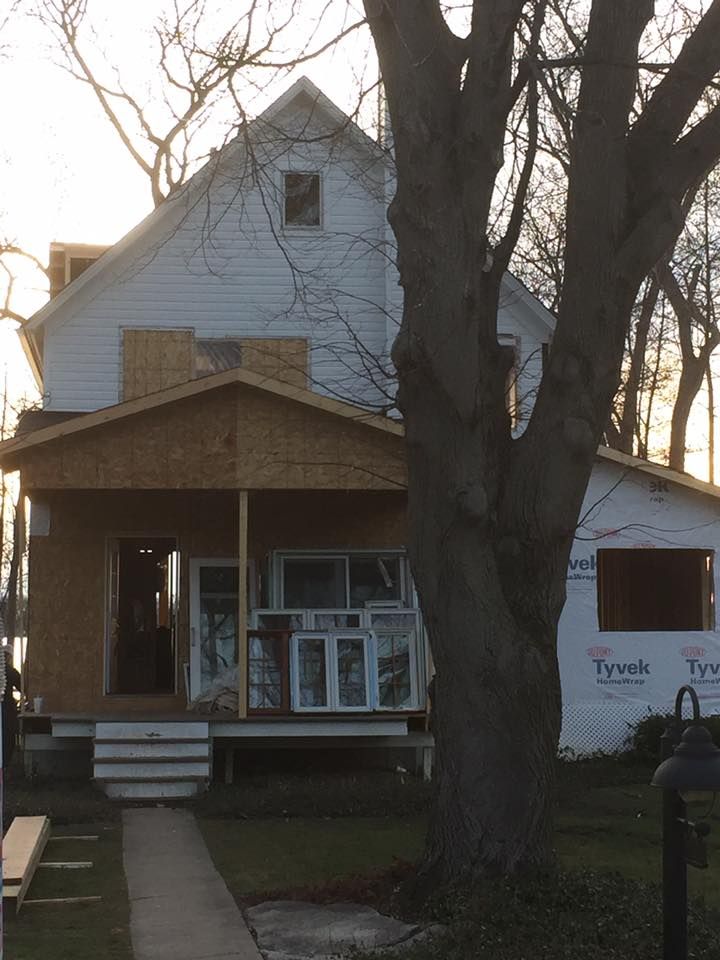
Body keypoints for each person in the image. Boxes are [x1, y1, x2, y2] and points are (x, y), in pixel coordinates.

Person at [2, 645, 22, 770]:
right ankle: (5, 764)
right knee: (9, 737)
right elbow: (23, 686)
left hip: (4, 707)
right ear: (9, 657)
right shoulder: (10, 671)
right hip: (7, 708)